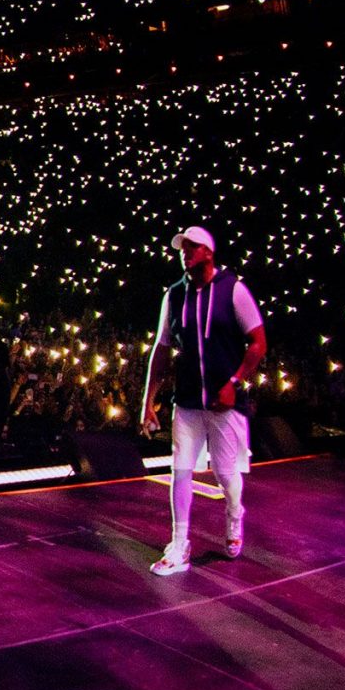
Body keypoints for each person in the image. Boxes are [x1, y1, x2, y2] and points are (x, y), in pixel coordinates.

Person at [140, 226, 266, 576]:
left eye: (193, 247)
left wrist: (235, 382)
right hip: (189, 401)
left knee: (226, 474)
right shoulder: (174, 295)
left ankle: (234, 514)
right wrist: (147, 401)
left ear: (209, 252)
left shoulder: (233, 291)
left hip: (225, 403)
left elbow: (258, 342)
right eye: (183, 248)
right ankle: (179, 544)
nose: (186, 252)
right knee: (180, 470)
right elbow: (161, 349)